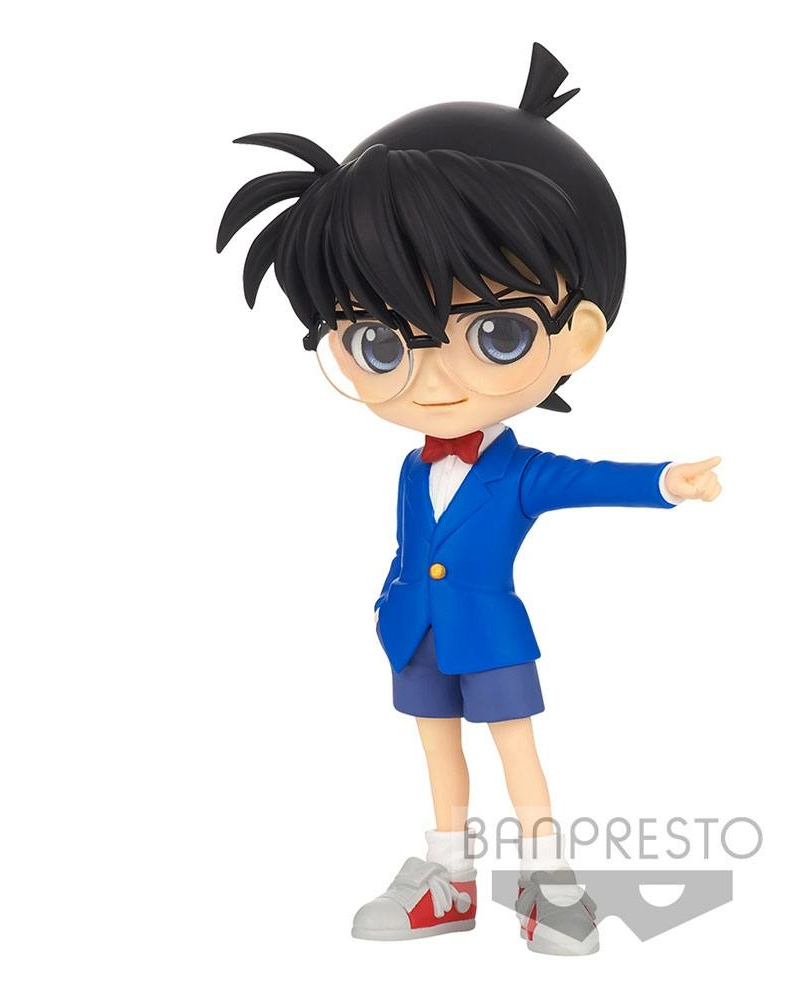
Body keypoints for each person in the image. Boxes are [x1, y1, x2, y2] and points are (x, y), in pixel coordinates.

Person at [217, 41, 721, 956]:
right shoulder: (412, 466)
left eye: (493, 333)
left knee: (515, 753)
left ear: (579, 336)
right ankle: (447, 875)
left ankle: (550, 878)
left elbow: (587, 479)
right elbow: (411, 545)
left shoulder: (517, 472)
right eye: (377, 344)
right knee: (437, 753)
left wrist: (664, 482)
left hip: (490, 637)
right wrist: (388, 601)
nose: (431, 381)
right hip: (414, 632)